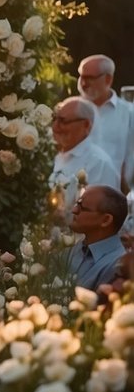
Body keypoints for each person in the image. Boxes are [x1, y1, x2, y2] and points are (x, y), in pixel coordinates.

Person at [49, 96, 120, 215]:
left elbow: (102, 217)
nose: (55, 127)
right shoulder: (51, 155)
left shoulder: (100, 164)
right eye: (55, 119)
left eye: (63, 121)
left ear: (86, 125)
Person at [77, 55, 134, 189]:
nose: (84, 84)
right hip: (76, 197)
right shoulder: (70, 112)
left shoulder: (128, 113)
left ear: (108, 79)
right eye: (81, 77)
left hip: (115, 197)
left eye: (90, 78)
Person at [67, 185, 127, 295]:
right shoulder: (77, 249)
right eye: (77, 204)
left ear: (106, 220)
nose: (74, 210)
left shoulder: (116, 266)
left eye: (82, 207)